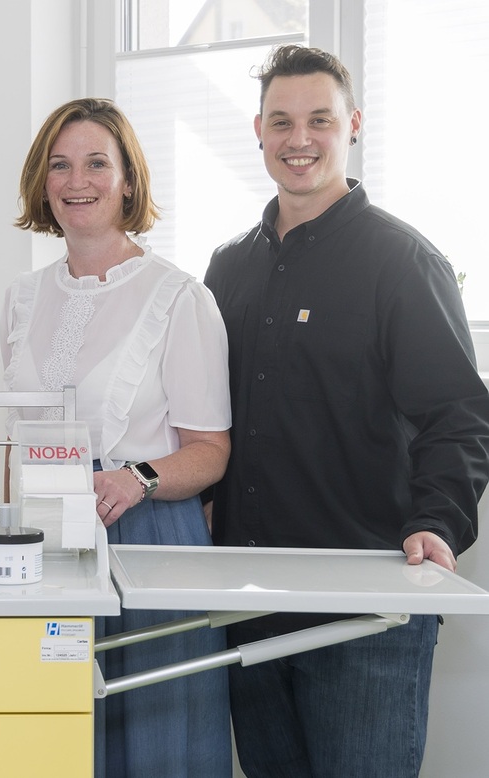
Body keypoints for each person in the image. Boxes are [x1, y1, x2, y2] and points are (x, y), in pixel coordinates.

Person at [204, 44, 489, 777]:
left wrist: (437, 522)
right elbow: (212, 416)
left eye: (319, 120)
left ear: (353, 125)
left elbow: (458, 414)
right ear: (259, 133)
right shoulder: (227, 267)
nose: (300, 139)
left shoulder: (402, 262)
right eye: (281, 121)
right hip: (249, 604)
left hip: (366, 607)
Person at [2, 98, 233, 777]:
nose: (79, 180)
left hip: (148, 540)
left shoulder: (178, 297)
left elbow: (210, 451)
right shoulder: (21, 298)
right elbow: (20, 434)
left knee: (155, 743)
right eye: (61, 164)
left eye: (97, 163)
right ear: (42, 183)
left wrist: (138, 479)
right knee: (57, 740)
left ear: (129, 179)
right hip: (44, 543)